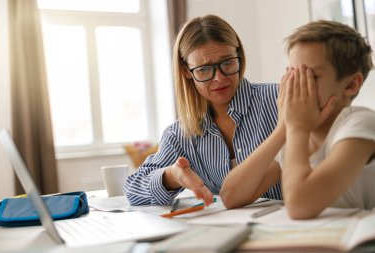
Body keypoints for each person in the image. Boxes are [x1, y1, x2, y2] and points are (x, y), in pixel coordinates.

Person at [220, 20, 375, 219]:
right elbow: (230, 196)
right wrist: (282, 129)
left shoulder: (360, 123)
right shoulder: (295, 135)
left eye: (310, 76)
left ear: (351, 84)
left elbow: (299, 206)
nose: (295, 85)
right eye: (291, 73)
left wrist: (297, 129)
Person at [123, 15, 283, 206]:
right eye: (204, 69)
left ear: (239, 56)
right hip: (228, 231)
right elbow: (133, 190)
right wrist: (172, 176)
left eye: (227, 63)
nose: (219, 78)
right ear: (186, 71)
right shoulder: (180, 135)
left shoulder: (279, 100)